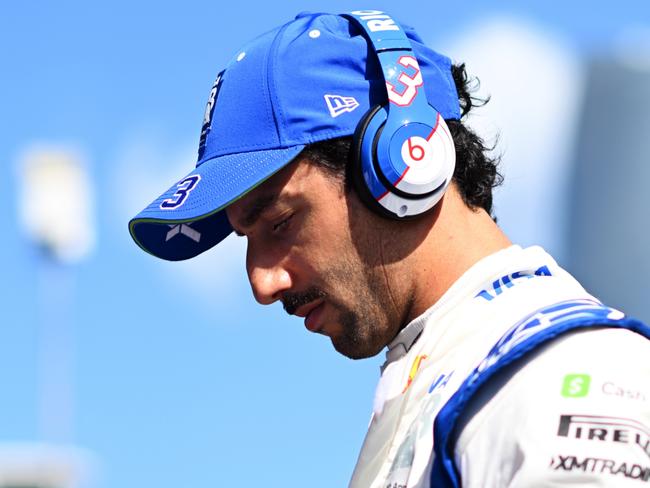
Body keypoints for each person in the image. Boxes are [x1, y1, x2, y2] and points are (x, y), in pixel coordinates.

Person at [129, 10, 650, 488]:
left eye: (280, 221)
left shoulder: (565, 377)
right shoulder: (454, 376)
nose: (263, 283)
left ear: (403, 162)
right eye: (246, 239)